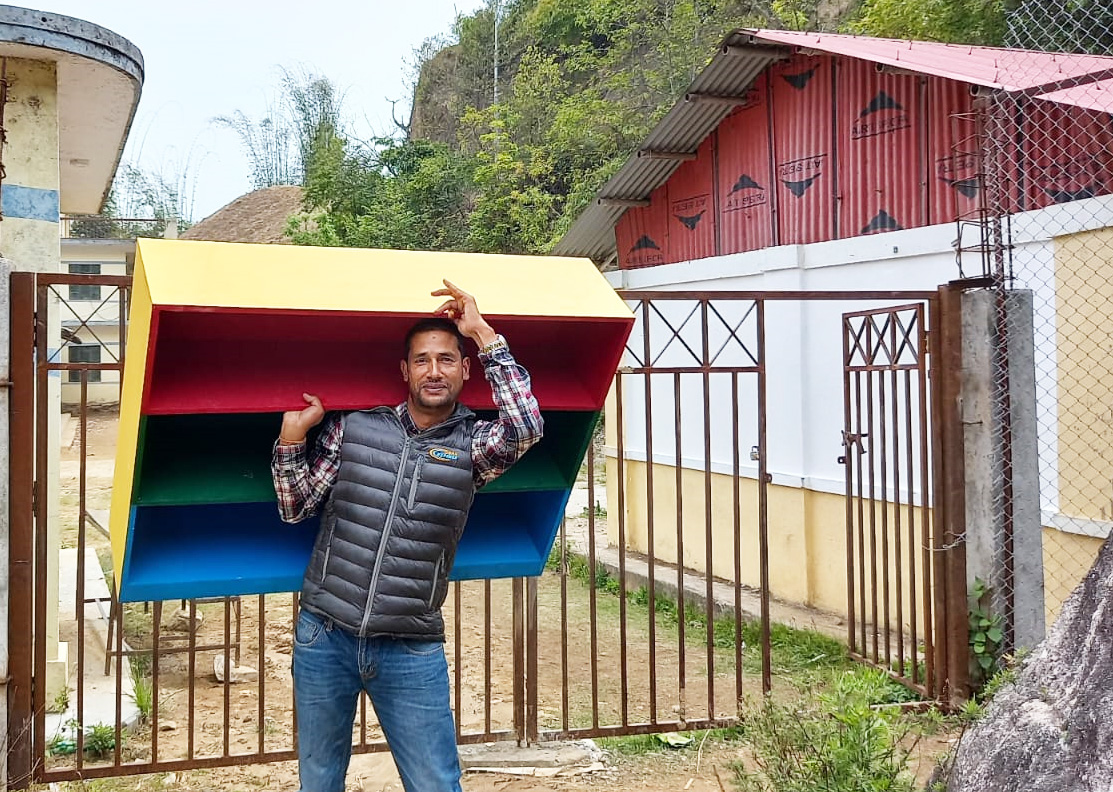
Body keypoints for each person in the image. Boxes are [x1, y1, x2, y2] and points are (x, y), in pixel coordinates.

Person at [271, 280, 543, 792]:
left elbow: (525, 427)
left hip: (410, 647)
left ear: (465, 370)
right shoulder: (354, 428)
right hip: (325, 635)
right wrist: (292, 440)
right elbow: (295, 508)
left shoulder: (474, 447)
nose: (434, 371)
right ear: (405, 371)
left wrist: (483, 334)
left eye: (446, 360)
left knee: (435, 783)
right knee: (319, 780)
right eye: (422, 360)